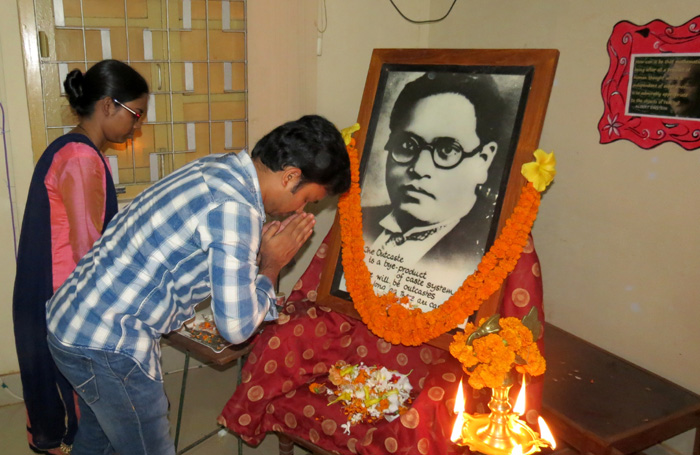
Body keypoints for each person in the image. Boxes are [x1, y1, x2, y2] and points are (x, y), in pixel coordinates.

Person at [45, 114, 350, 455]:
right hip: (108, 343)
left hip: (71, 320)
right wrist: (272, 265)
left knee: (99, 440)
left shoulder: (219, 168)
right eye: (308, 198)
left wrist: (259, 256)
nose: (302, 207)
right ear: (291, 176)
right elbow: (236, 327)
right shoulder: (236, 209)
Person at [12, 59, 149, 454]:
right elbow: (90, 248)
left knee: (59, 389)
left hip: (52, 288)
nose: (137, 125)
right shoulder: (81, 157)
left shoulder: (72, 147)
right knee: (79, 399)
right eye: (135, 114)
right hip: (63, 296)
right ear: (108, 106)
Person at [362, 71, 512, 308]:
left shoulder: (490, 250)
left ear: (484, 160)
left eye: (446, 151)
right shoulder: (359, 223)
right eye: (406, 145)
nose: (420, 168)